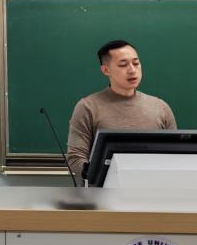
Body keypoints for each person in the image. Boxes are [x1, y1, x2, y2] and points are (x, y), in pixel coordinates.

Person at [65, 40, 176, 181]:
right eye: (123, 65)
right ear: (106, 70)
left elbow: (174, 154)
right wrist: (96, 174)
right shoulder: (87, 107)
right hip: (104, 191)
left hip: (152, 187)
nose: (132, 70)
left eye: (136, 63)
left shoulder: (160, 107)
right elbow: (75, 158)